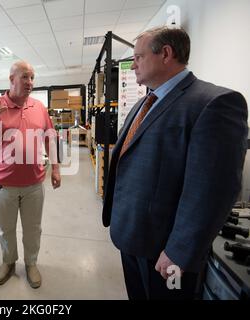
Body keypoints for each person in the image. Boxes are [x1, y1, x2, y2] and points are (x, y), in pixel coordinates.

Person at [102, 26, 248, 299]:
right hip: (132, 238)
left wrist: (179, 251)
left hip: (165, 253)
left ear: (166, 54)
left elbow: (212, 190)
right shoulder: (144, 102)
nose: (132, 65)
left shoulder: (213, 103)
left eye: (138, 57)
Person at [0, 61, 61, 288]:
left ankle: (31, 263)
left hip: (34, 183)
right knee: (6, 229)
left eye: (32, 77)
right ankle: (8, 262)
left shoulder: (39, 107)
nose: (30, 82)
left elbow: (50, 137)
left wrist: (57, 167)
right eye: (25, 77)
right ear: (12, 79)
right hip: (3, 184)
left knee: (33, 228)